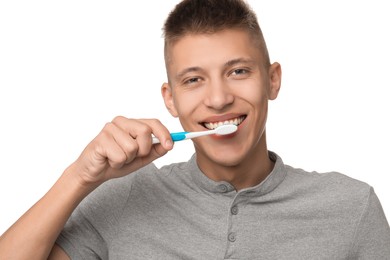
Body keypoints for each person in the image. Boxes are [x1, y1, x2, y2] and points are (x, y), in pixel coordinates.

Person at [1, 0, 389, 259]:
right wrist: (79, 177)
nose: (218, 99)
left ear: (272, 80)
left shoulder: (351, 208)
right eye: (193, 80)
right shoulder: (125, 198)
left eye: (238, 71)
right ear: (170, 99)